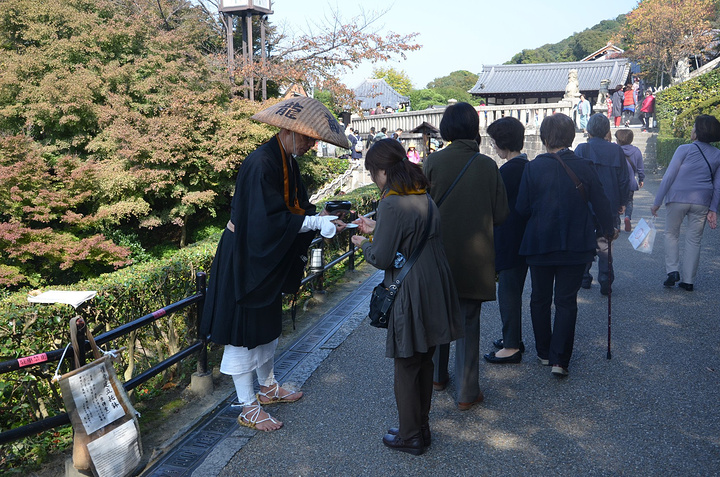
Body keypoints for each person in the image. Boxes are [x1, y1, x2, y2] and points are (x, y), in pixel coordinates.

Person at [200, 97, 349, 432]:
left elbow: (294, 207)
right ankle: (246, 406)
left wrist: (319, 217)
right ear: (289, 130)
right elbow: (262, 221)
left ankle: (267, 387)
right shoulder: (260, 163)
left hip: (265, 256)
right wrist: (311, 224)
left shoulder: (287, 161)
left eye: (315, 140)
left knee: (267, 325)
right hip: (246, 256)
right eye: (309, 138)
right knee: (244, 331)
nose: (312, 145)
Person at [351, 139, 462, 456]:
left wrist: (363, 242)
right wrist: (377, 227)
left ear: (383, 171)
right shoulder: (423, 197)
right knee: (424, 359)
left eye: (373, 172)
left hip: (410, 288)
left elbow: (384, 257)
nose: (374, 178)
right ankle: (420, 426)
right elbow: (411, 235)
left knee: (405, 363)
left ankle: (410, 435)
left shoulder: (390, 203)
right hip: (436, 282)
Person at [424, 102, 509, 409]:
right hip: (475, 259)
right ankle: (466, 392)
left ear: (447, 128)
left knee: (438, 318)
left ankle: (437, 376)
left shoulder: (432, 162)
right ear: (474, 128)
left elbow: (423, 210)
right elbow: (501, 214)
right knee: (468, 322)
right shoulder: (486, 165)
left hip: (438, 256)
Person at [516, 113, 615, 377]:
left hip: (539, 243)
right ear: (571, 136)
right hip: (576, 242)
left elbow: (522, 208)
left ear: (545, 138)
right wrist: (608, 228)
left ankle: (544, 352)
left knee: (539, 299)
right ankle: (560, 360)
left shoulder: (533, 168)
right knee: (566, 301)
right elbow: (602, 202)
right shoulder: (585, 165)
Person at [651, 114, 720, 291]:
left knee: (671, 234)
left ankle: (672, 270)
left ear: (697, 132)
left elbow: (669, 176)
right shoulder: (717, 154)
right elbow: (717, 185)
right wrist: (713, 208)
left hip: (677, 198)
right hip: (702, 201)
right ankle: (688, 281)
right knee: (694, 240)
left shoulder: (684, 149)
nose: (692, 130)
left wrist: (657, 201)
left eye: (694, 127)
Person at [483, 117, 529, 364]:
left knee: (509, 294)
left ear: (503, 143)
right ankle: (512, 337)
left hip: (510, 239)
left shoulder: (508, 171)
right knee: (514, 291)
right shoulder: (525, 166)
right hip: (523, 238)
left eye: (494, 142)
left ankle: (511, 346)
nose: (493, 147)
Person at [575, 113, 630, 295]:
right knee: (606, 240)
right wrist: (623, 202)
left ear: (589, 130)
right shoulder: (616, 151)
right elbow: (624, 180)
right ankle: (606, 279)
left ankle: (583, 277)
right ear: (607, 130)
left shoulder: (582, 149)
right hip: (610, 201)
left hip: (586, 203)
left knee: (585, 239)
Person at [615, 129, 645, 232]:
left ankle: (617, 225)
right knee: (629, 201)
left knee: (617, 202)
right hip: (630, 182)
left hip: (617, 182)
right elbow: (640, 168)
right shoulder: (636, 151)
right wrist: (641, 179)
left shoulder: (615, 150)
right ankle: (627, 217)